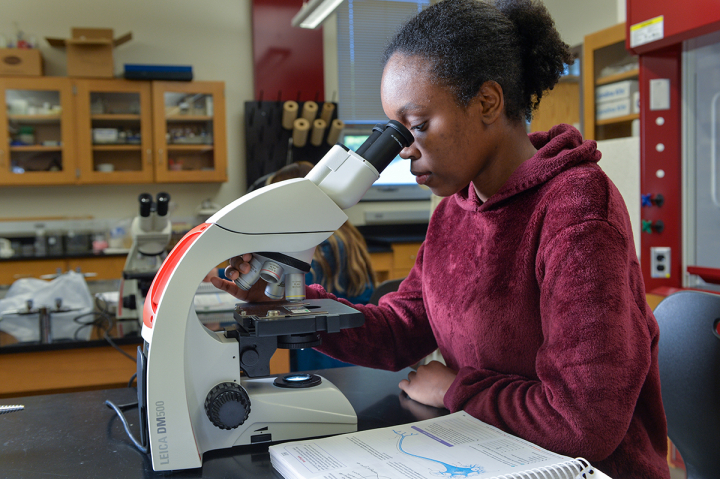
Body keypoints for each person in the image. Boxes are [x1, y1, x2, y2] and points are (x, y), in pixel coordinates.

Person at [212, 0, 670, 477]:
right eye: (397, 130)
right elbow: (402, 328)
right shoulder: (455, 208)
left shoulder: (576, 208)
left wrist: (457, 389)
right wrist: (290, 307)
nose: (405, 150)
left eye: (417, 125)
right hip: (488, 451)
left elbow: (584, 421)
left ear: (487, 102)